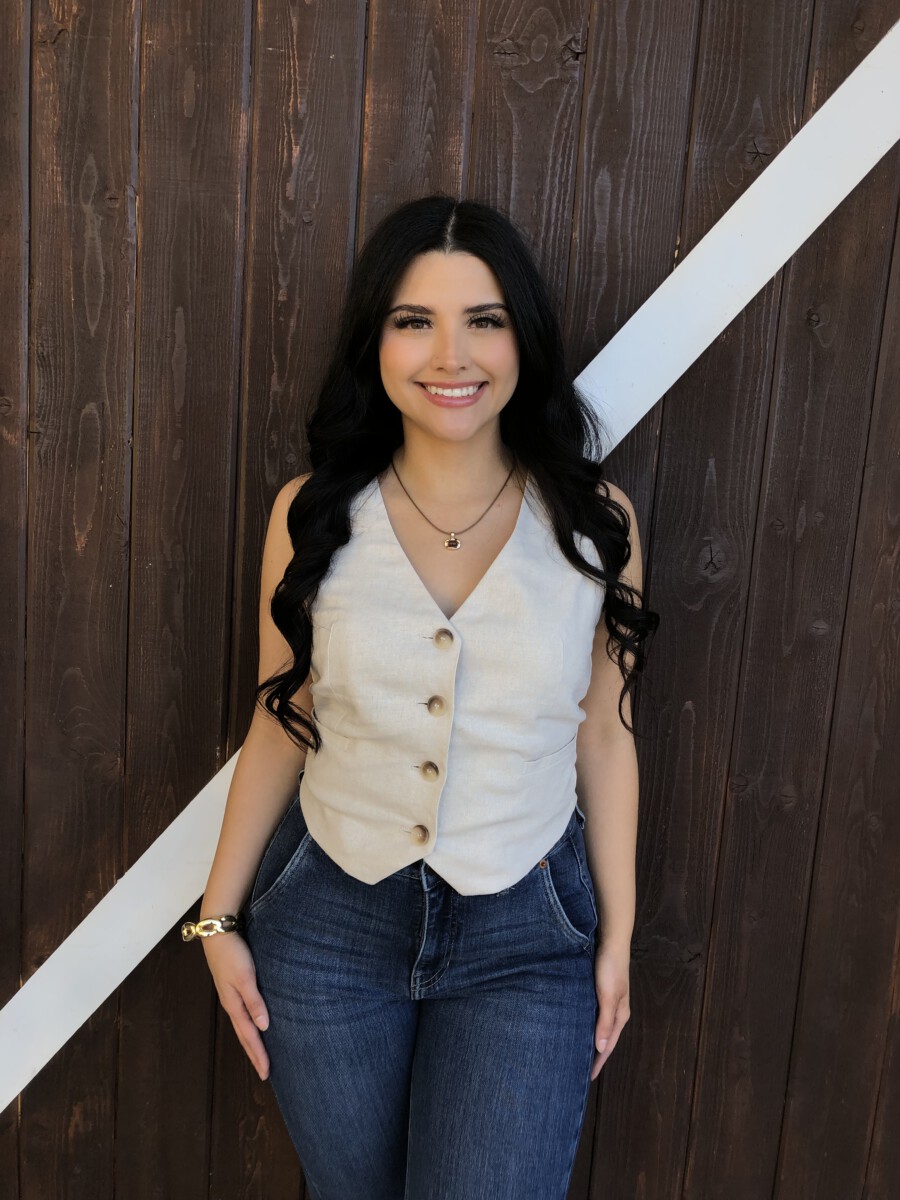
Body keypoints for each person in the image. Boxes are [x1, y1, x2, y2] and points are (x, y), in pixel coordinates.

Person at [185, 193, 659, 1200]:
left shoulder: (594, 525)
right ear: (377, 340)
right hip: (328, 930)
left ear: (524, 338)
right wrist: (218, 920)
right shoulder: (311, 515)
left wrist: (618, 935)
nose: (453, 355)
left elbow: (606, 740)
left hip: (527, 938)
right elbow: (281, 718)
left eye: (485, 319)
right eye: (415, 321)